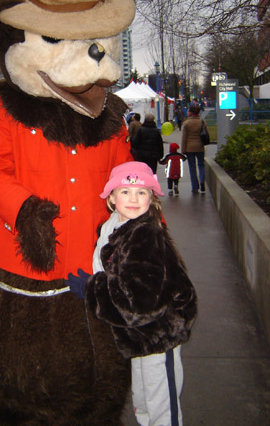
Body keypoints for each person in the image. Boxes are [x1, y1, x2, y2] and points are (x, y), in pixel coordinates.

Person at [66, 161, 197, 426]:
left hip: (160, 334)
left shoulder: (146, 235)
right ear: (112, 198)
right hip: (137, 335)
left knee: (162, 404)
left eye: (141, 192)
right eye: (125, 191)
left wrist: (91, 288)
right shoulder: (113, 227)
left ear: (152, 197)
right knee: (142, 399)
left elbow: (139, 302)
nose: (133, 199)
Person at [181, 103, 209, 193]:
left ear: (191, 112)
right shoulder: (202, 121)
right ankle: (202, 181)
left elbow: (184, 138)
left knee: (192, 167)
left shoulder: (186, 123)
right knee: (201, 165)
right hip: (200, 147)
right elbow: (207, 133)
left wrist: (183, 150)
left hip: (189, 148)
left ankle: (195, 186)